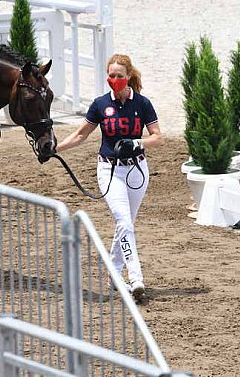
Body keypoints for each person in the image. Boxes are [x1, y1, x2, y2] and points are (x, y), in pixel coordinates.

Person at [57, 53, 163, 300]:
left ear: (128, 77)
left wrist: (137, 143)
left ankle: (113, 272)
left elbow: (158, 137)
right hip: (109, 170)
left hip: (137, 170)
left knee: (126, 224)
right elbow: (81, 134)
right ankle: (136, 278)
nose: (114, 80)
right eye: (111, 76)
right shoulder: (100, 104)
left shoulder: (142, 104)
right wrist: (56, 148)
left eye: (119, 76)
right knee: (124, 222)